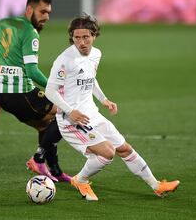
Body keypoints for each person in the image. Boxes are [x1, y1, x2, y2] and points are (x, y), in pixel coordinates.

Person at [45, 14, 180, 201]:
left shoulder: (96, 54)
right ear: (72, 37)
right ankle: (81, 180)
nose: (82, 42)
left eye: (86, 37)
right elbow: (50, 91)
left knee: (124, 148)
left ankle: (157, 186)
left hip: (91, 113)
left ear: (94, 36)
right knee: (108, 152)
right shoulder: (64, 60)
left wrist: (104, 99)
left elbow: (90, 78)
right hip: (71, 120)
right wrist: (70, 111)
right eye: (77, 37)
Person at [0, 0, 71, 182]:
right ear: (29, 10)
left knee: (45, 124)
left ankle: (55, 171)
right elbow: (32, 72)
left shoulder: (2, 23)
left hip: (4, 96)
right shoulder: (30, 32)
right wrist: (58, 87)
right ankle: (38, 158)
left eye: (49, 13)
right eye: (42, 12)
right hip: (22, 94)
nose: (46, 17)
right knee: (68, 112)